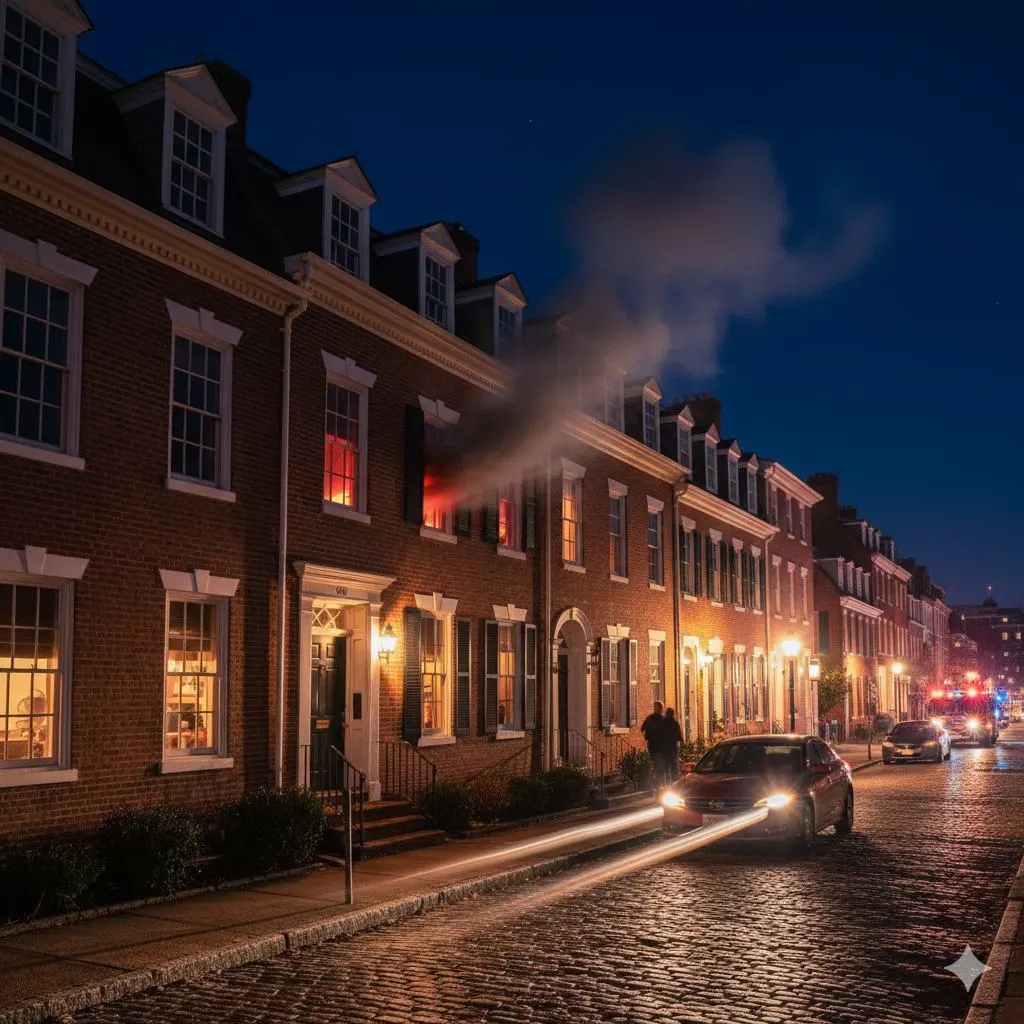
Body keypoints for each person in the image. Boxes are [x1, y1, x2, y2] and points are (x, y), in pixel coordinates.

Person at [641, 701, 666, 779]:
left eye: (656, 707)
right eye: (655, 707)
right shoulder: (653, 718)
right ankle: (661, 784)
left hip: (657, 747)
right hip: (656, 747)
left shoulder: (653, 718)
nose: (655, 709)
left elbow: (642, 729)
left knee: (659, 768)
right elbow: (642, 728)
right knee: (659, 768)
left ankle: (661, 784)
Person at [661, 707, 683, 783]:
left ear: (666, 713)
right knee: (674, 768)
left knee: (665, 769)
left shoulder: (662, 723)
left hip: (664, 749)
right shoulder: (675, 723)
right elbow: (679, 737)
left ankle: (666, 785)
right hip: (673, 749)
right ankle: (675, 784)